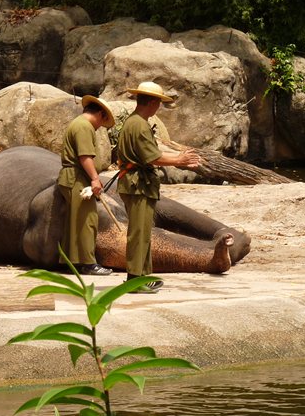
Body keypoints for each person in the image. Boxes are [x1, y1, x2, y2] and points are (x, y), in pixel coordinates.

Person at [117, 81, 201, 293]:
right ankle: (135, 279)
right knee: (139, 232)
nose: (160, 108)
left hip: (139, 184)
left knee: (144, 232)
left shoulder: (137, 122)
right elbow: (152, 156)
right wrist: (179, 161)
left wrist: (181, 158)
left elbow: (152, 154)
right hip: (137, 185)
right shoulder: (138, 124)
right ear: (153, 102)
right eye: (160, 103)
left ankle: (142, 275)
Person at [57, 95, 116, 275]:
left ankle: (70, 261)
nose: (99, 127)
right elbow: (85, 156)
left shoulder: (77, 123)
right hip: (77, 178)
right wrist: (95, 179)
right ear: (99, 114)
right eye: (102, 122)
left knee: (75, 220)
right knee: (87, 220)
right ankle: (88, 263)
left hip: (70, 177)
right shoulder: (84, 127)